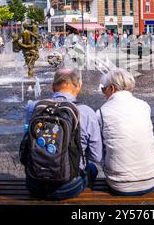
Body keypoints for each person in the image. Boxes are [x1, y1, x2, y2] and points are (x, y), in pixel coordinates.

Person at [23, 69, 103, 199]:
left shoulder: (33, 107)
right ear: (78, 87)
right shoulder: (86, 112)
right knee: (92, 168)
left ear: (52, 86)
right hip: (68, 187)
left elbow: (27, 142)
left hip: (34, 184)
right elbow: (96, 156)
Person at [97, 69, 154, 195]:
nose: (103, 93)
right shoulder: (144, 106)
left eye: (104, 89)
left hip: (120, 184)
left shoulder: (101, 113)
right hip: (152, 178)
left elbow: (98, 152)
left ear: (112, 88)